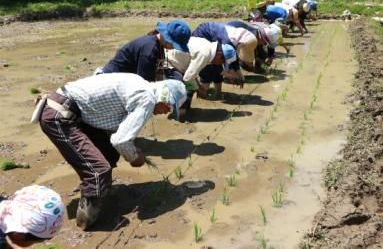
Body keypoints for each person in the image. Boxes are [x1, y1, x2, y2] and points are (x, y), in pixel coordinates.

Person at [36, 74, 187, 230]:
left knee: (109, 153)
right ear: (164, 98)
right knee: (98, 171)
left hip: (68, 109)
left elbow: (113, 130)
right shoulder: (147, 99)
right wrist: (135, 157)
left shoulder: (140, 84)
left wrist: (130, 148)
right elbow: (120, 141)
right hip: (59, 116)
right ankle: (85, 222)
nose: (165, 112)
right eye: (169, 107)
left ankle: (96, 192)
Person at [96, 19, 191, 82]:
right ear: (167, 38)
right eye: (174, 45)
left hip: (123, 79)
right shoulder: (149, 50)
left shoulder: (158, 45)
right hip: (108, 81)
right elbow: (144, 84)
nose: (174, 48)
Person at [165, 37, 238, 100]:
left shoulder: (208, 47)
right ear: (219, 55)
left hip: (178, 63)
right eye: (222, 62)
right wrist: (199, 90)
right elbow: (188, 78)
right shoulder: (204, 55)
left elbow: (192, 73)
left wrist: (199, 87)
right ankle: (181, 113)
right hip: (169, 62)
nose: (220, 64)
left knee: (191, 87)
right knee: (183, 89)